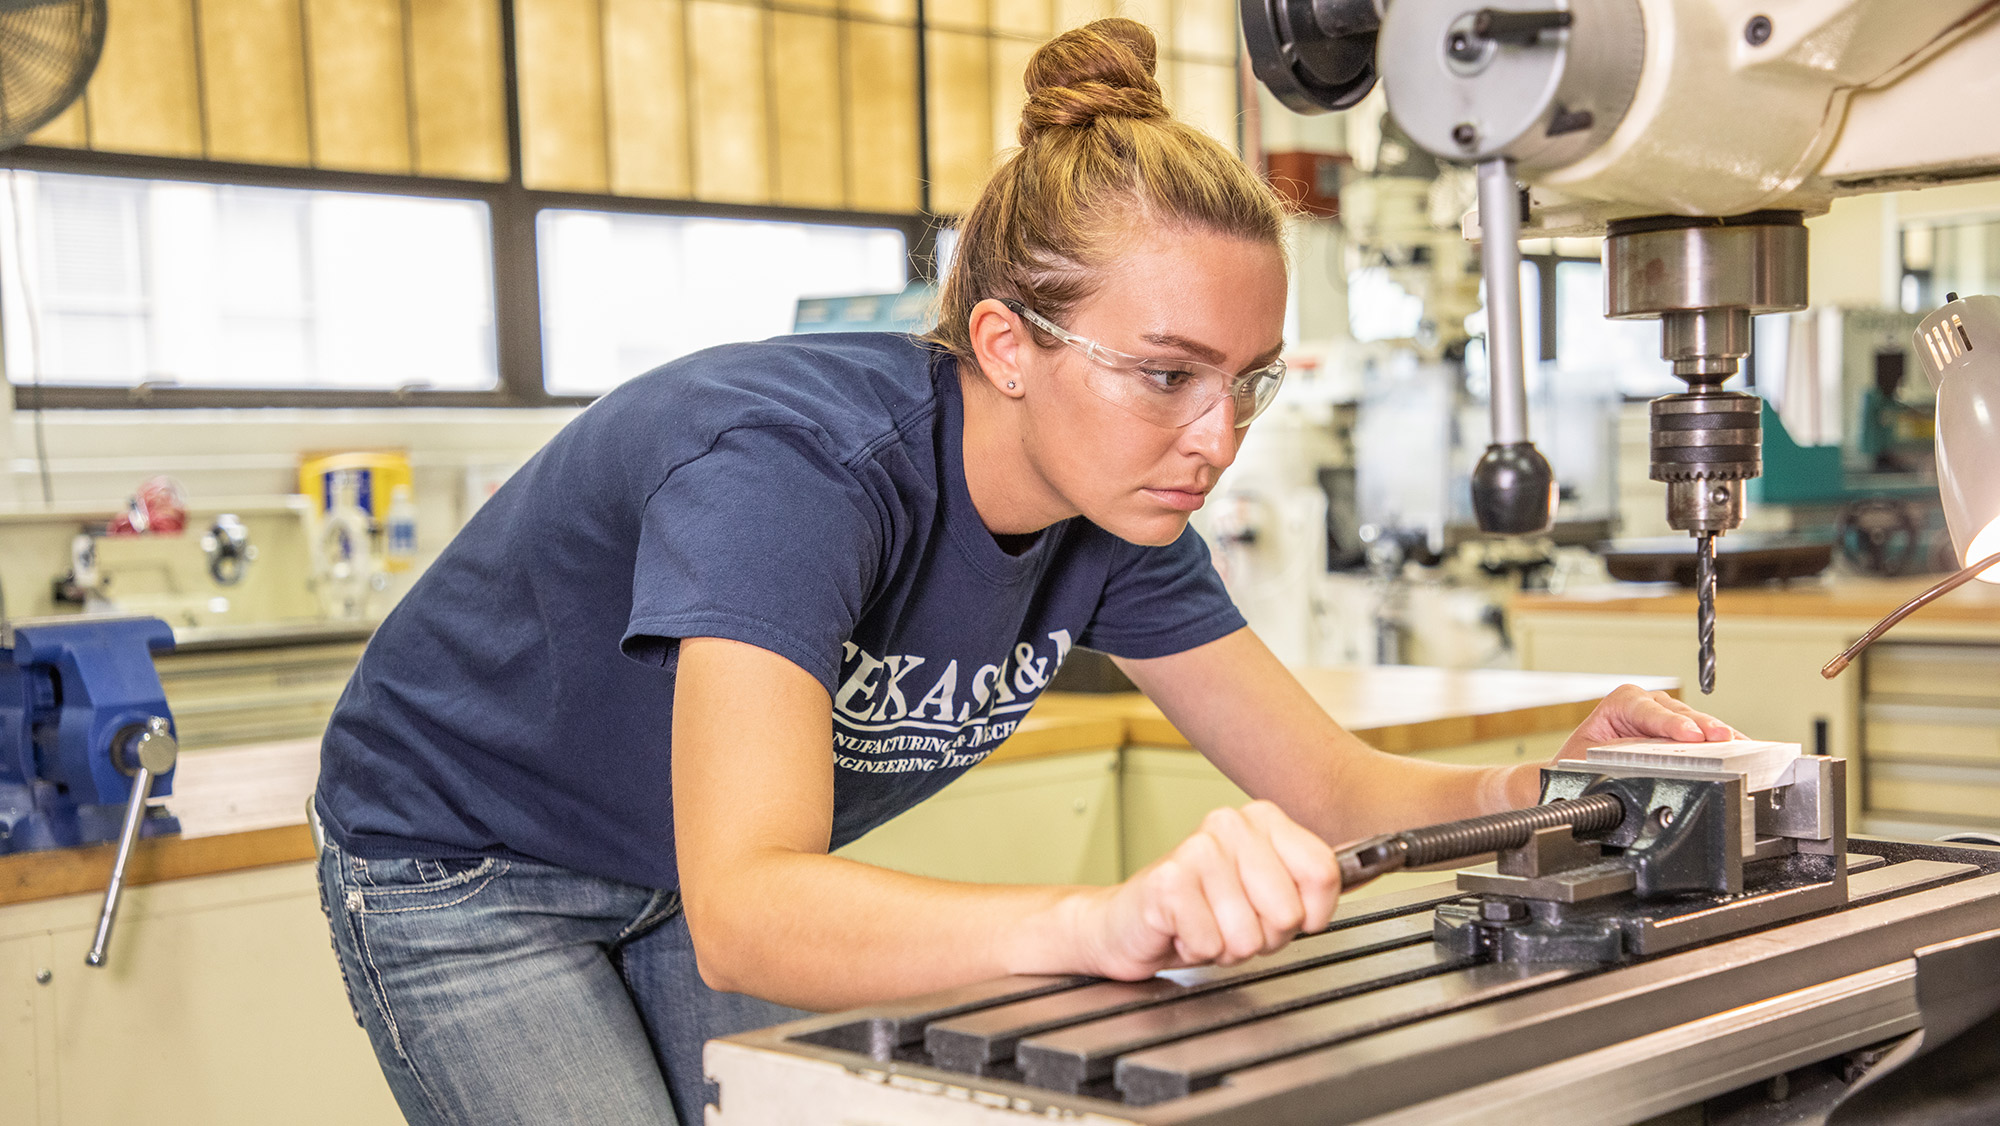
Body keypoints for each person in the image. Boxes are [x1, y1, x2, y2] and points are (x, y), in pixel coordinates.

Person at [312, 18, 1737, 1125]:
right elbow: (751, 897)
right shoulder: (795, 475)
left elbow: (1341, 790)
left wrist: (1558, 792)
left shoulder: (1121, 512)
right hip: (464, 863)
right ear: (1006, 346)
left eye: (1248, 384)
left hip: (663, 872)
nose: (1215, 438)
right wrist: (1102, 923)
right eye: (1168, 375)